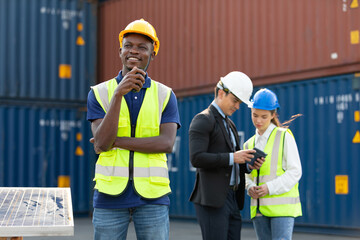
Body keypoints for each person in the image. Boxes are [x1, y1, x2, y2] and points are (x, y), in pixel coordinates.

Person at [87, 19, 181, 240]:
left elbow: (166, 144)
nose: (134, 51)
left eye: (142, 47)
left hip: (152, 198)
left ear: (153, 53)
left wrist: (115, 141)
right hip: (109, 196)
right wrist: (119, 94)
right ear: (120, 51)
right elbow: (100, 144)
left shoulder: (166, 95)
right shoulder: (100, 93)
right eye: (128, 45)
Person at [189, 71, 265, 240]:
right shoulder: (202, 119)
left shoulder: (229, 124)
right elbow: (197, 158)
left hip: (232, 198)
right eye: (235, 101)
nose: (237, 106)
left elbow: (233, 161)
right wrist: (233, 157)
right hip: (212, 200)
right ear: (221, 93)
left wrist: (248, 165)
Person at [244, 88, 302, 240]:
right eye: (255, 115)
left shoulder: (284, 137)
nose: (258, 121)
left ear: (273, 115)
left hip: (282, 210)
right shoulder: (248, 144)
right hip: (258, 210)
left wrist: (268, 188)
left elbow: (295, 172)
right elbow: (246, 175)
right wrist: (249, 187)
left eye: (264, 117)